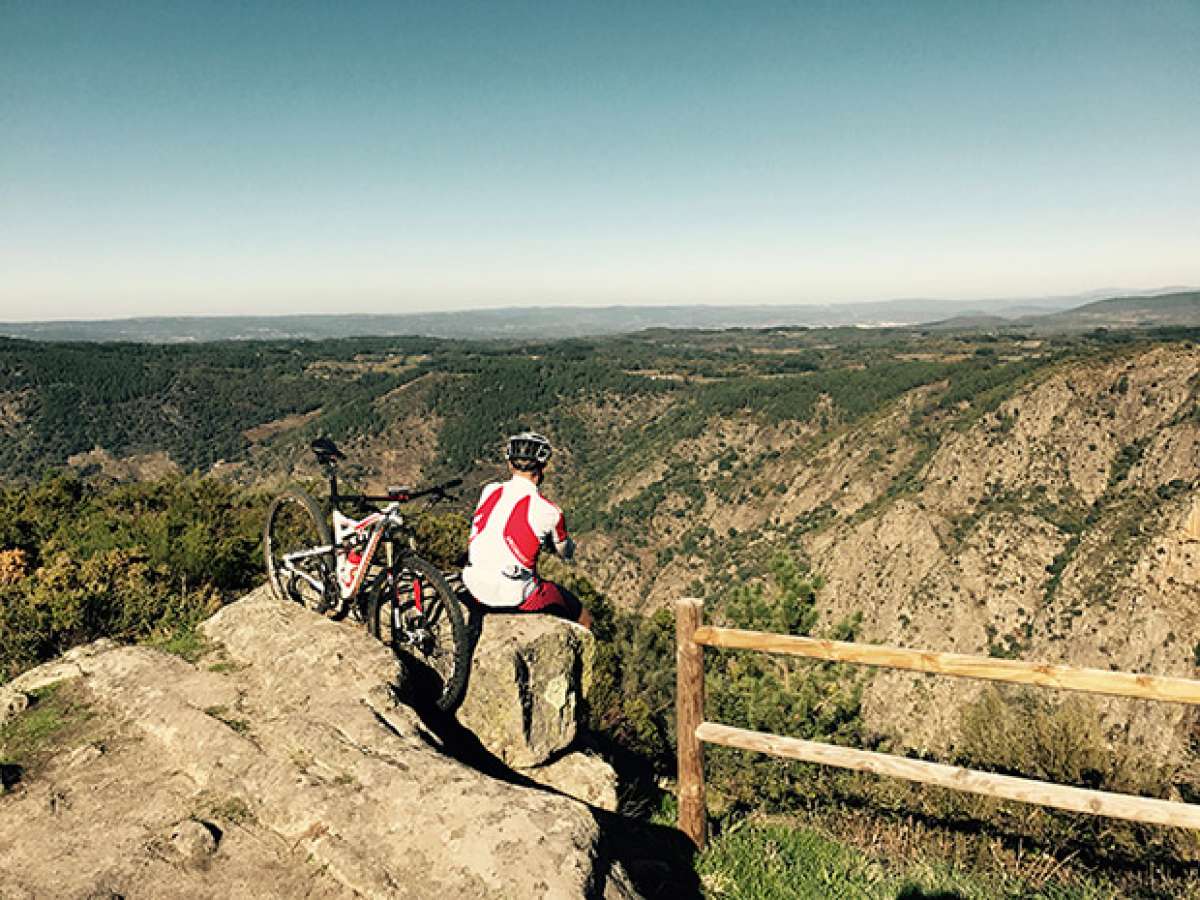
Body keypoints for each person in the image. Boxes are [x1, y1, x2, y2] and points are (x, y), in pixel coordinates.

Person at [461, 431, 593, 629]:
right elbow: (565, 552)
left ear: (510, 464)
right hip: (516, 596)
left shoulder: (489, 490)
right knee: (583, 617)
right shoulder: (551, 512)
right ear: (542, 468)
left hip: (473, 587)